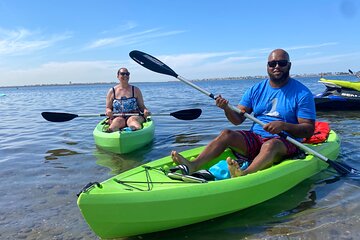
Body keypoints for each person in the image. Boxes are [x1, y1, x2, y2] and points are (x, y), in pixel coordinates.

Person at [171, 49, 316, 178]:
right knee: (226, 134)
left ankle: (244, 174)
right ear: (267, 67)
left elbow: (308, 130)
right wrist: (227, 109)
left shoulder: (302, 93)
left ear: (289, 65)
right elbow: (237, 120)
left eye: (281, 63)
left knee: (271, 145)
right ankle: (194, 165)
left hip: (284, 142)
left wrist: (283, 126)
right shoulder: (256, 89)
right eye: (272, 64)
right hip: (257, 137)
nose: (276, 66)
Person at [105, 67, 150, 132]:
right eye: (122, 74)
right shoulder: (112, 91)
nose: (125, 76)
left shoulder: (136, 90)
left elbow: (142, 106)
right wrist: (108, 111)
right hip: (118, 116)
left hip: (135, 116)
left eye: (127, 74)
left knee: (131, 120)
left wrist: (145, 111)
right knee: (117, 121)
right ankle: (112, 131)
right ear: (118, 76)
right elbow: (108, 108)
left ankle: (132, 130)